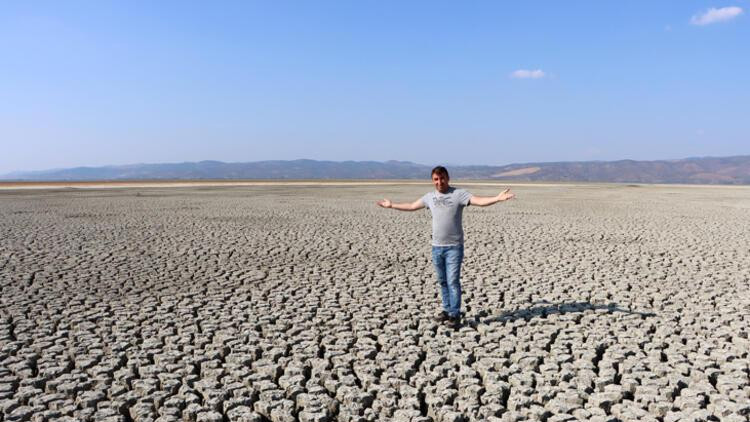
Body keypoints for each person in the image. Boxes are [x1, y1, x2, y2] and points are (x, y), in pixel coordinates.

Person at [377, 166, 515, 329]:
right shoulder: (430, 197)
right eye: (436, 179)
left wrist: (496, 198)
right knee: (443, 281)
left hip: (454, 248)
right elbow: (412, 206)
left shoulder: (458, 194)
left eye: (442, 178)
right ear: (432, 180)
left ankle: (455, 315)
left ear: (448, 178)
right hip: (436, 247)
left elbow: (479, 201)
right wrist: (391, 205)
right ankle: (447, 309)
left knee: (452, 281)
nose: (439, 182)